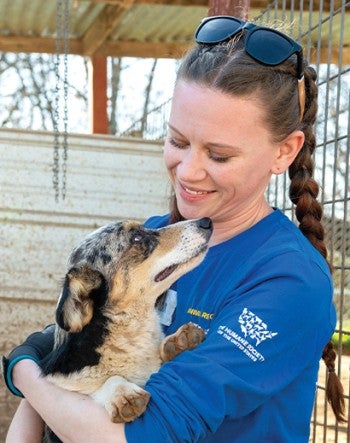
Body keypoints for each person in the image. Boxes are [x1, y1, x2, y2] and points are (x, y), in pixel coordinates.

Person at [3, 15, 345, 443]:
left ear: (284, 152)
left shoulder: (290, 281)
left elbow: (140, 432)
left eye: (219, 155)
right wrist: (38, 374)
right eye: (178, 141)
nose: (188, 171)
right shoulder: (153, 238)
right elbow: (65, 350)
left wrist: (25, 375)